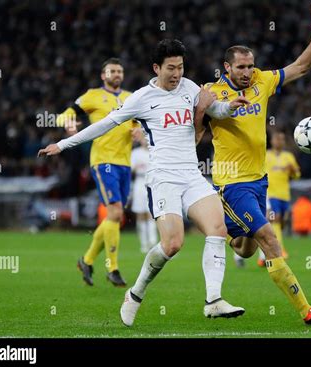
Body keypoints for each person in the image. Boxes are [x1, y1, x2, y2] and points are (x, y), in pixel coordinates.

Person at [38, 39, 251, 325]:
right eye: (171, 68)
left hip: (192, 175)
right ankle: (136, 293)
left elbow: (216, 110)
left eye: (181, 67)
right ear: (156, 68)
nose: (177, 74)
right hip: (163, 179)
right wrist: (63, 145)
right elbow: (105, 124)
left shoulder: (190, 88)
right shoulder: (141, 98)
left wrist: (230, 107)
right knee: (173, 244)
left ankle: (213, 300)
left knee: (217, 228)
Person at [198, 4, 311, 325]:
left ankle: (225, 234)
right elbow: (197, 126)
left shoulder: (262, 81)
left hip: (258, 180)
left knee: (246, 249)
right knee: (269, 238)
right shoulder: (211, 93)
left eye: (251, 66)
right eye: (241, 67)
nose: (248, 72)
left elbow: (301, 68)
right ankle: (308, 312)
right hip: (232, 184)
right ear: (226, 68)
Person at [55, 58, 141, 287]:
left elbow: (138, 124)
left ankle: (87, 260)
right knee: (114, 213)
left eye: (120, 71)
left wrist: (138, 130)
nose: (117, 74)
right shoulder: (92, 95)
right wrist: (69, 124)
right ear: (103, 75)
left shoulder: (131, 97)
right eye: (112, 71)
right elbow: (65, 114)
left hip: (125, 162)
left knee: (115, 216)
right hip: (103, 161)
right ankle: (112, 268)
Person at [256, 130, 300, 267]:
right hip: (271, 193)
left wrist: (293, 170)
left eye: (281, 139)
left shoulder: (289, 157)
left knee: (283, 222)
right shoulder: (266, 155)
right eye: (277, 139)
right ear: (272, 141)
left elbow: (297, 175)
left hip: (285, 194)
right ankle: (279, 250)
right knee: (276, 218)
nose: (279, 141)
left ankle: (265, 252)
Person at [130, 131, 157, 253]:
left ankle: (153, 242)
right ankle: (144, 243)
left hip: (152, 183)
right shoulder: (135, 153)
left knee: (151, 213)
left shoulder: (155, 152)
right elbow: (131, 169)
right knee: (140, 214)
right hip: (140, 183)